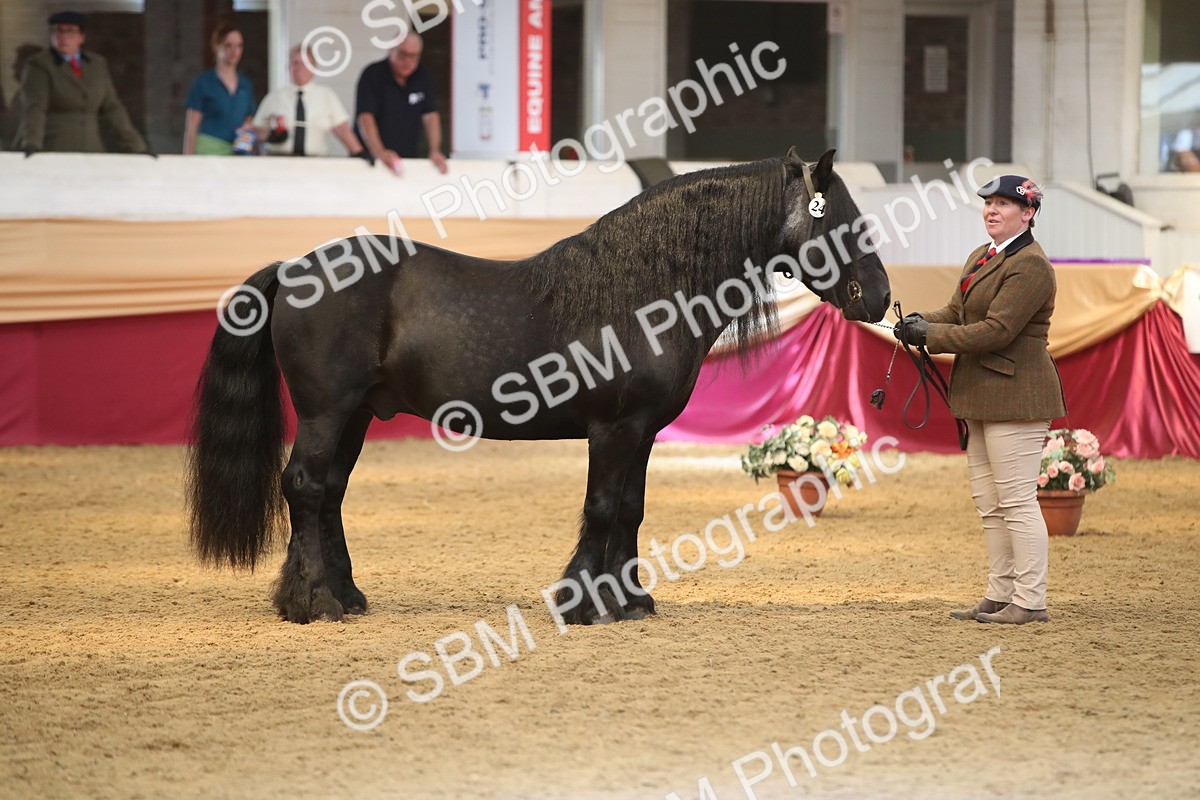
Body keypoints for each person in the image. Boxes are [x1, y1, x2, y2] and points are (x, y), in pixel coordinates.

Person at [894, 175, 1067, 625]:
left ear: (1028, 213)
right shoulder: (982, 256)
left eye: (1003, 204)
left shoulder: (1030, 265)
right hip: (981, 394)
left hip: (1017, 393)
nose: (991, 210)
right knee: (990, 504)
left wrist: (929, 336)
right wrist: (917, 320)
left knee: (1016, 501)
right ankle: (999, 592)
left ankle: (1030, 600)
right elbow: (956, 313)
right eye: (988, 203)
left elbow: (996, 331)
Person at [14, 12, 150, 155]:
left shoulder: (97, 64)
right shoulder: (39, 65)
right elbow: (35, 107)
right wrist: (32, 143)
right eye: (58, 31)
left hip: (91, 146)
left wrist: (137, 147)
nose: (63, 37)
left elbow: (113, 107)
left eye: (70, 31)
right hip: (54, 145)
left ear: (81, 37)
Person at [354, 32, 448, 175]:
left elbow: (430, 116)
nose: (408, 61)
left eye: (413, 56)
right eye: (403, 54)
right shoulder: (372, 75)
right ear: (391, 50)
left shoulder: (423, 77)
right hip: (370, 161)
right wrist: (380, 152)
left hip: (407, 159)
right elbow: (365, 117)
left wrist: (434, 150)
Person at [253, 44, 369, 160]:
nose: (300, 68)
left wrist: (358, 152)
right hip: (279, 161)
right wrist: (269, 136)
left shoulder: (326, 95)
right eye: (295, 63)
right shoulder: (274, 97)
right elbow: (257, 130)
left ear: (314, 68)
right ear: (288, 67)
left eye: (305, 63)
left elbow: (342, 128)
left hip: (315, 163)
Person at [184, 25, 256, 155]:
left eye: (239, 46)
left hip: (237, 152)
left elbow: (248, 121)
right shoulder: (203, 82)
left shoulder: (245, 84)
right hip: (207, 149)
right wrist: (189, 159)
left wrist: (245, 147)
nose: (235, 51)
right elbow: (192, 126)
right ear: (217, 47)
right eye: (228, 45)